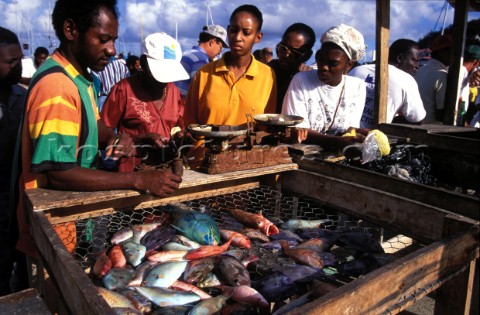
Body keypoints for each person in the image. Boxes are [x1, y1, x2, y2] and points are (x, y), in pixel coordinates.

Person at [15, 0, 182, 261]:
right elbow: (58, 173)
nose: (112, 50)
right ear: (71, 30)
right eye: (103, 39)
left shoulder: (83, 79)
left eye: (113, 40)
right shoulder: (58, 87)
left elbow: (93, 128)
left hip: (76, 215)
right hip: (56, 227)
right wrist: (139, 180)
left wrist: (128, 138)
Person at [184, 4, 276, 167]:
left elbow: (267, 125)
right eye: (233, 30)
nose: (238, 37)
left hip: (248, 166)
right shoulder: (204, 74)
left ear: (258, 37)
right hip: (205, 166)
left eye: (246, 32)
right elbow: (190, 124)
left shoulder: (268, 76)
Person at [101, 32, 189, 172]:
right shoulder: (124, 90)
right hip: (132, 172)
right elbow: (101, 134)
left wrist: (181, 136)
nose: (165, 81)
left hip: (167, 169)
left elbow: (181, 127)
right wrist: (138, 139)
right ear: (142, 63)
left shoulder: (174, 91)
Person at [282, 23, 367, 149]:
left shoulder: (357, 86)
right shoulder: (301, 81)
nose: (323, 67)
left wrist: (361, 134)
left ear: (348, 65)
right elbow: (298, 131)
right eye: (320, 59)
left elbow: (350, 129)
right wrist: (337, 142)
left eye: (333, 63)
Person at [0, 26, 28, 297]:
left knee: (22, 268)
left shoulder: (22, 97)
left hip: (17, 197)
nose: (18, 65)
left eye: (19, 58)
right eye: (10, 62)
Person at [348, 39, 426, 128]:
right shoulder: (407, 80)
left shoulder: (357, 70)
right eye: (415, 60)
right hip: (373, 139)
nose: (417, 65)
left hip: (344, 135)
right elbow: (417, 119)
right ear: (400, 58)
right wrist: (392, 118)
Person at [268, 23, 316, 112]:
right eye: (283, 48)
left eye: (295, 53)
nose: (286, 55)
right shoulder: (265, 71)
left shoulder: (311, 80)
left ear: (307, 56)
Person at [176, 25, 229, 98]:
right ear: (212, 42)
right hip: (184, 105)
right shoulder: (201, 60)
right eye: (220, 47)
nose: (220, 52)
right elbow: (201, 91)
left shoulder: (186, 53)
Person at [415, 34, 452, 124]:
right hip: (432, 129)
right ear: (443, 53)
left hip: (416, 125)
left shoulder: (420, 70)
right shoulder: (442, 75)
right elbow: (441, 114)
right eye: (451, 52)